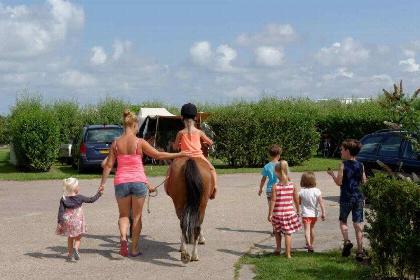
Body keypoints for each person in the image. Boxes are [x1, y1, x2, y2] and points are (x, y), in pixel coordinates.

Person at [100, 109, 190, 257]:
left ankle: (123, 238)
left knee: (123, 216)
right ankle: (134, 249)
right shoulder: (139, 142)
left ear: (125, 125)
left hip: (121, 182)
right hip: (138, 183)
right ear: (135, 125)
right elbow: (159, 155)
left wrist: (102, 184)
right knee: (136, 217)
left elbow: (108, 165)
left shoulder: (115, 144)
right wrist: (179, 154)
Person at [165, 103, 217, 199]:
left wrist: (177, 144)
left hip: (183, 156)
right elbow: (210, 142)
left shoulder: (180, 133)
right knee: (212, 169)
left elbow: (176, 147)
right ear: (195, 118)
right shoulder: (199, 132)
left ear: (182, 118)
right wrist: (207, 143)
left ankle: (167, 187)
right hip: (199, 156)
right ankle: (214, 188)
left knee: (171, 169)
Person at [327, 139, 366, 262]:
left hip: (346, 198)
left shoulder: (342, 164)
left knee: (343, 221)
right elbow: (364, 182)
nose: (340, 151)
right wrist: (364, 196)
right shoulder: (361, 165)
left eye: (342, 150)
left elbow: (339, 182)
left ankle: (347, 241)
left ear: (347, 151)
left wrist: (332, 174)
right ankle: (360, 251)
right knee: (357, 224)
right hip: (358, 198)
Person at [55, 177, 103, 261]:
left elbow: (61, 211)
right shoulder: (79, 197)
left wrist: (59, 222)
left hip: (68, 221)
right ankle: (76, 249)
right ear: (75, 187)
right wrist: (99, 194)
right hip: (77, 221)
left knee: (70, 237)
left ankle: (70, 253)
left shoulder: (64, 198)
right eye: (78, 185)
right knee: (78, 237)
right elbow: (91, 200)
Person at [268, 160, 301, 258]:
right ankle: (288, 254)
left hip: (277, 214)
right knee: (288, 233)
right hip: (289, 213)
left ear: (278, 173)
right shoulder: (292, 185)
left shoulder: (275, 186)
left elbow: (273, 201)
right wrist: (298, 210)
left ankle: (278, 247)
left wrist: (270, 213)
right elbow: (296, 199)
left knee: (277, 231)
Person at [299, 172, 326, 252]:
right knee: (312, 229)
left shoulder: (302, 192)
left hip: (306, 214)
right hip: (314, 214)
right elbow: (321, 203)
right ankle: (311, 243)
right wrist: (323, 212)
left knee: (306, 230)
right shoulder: (317, 191)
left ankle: (309, 244)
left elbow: (299, 202)